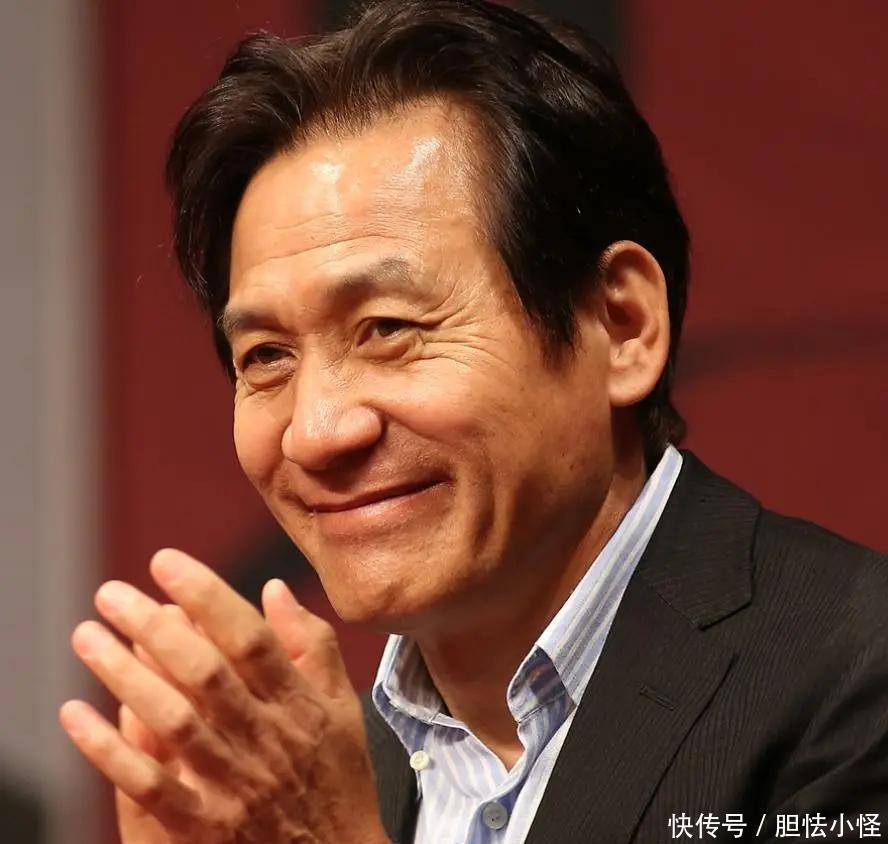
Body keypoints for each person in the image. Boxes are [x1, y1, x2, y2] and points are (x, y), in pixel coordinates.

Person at [60, 0, 888, 841]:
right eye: (266, 355)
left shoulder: (857, 673)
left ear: (622, 326)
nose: (316, 432)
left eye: (388, 328)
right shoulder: (329, 772)